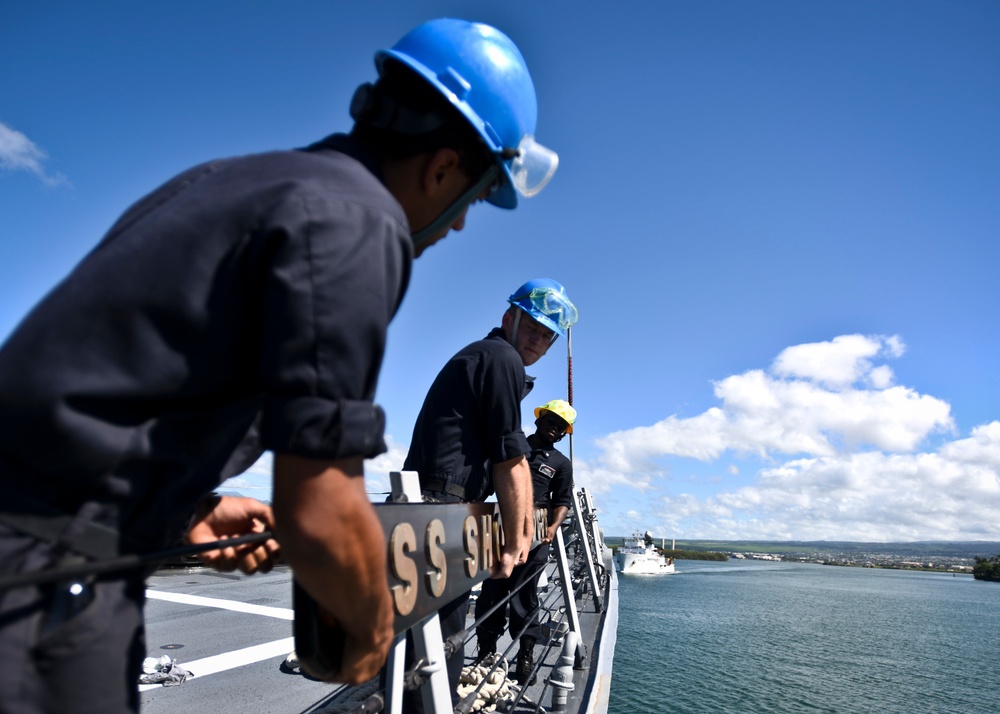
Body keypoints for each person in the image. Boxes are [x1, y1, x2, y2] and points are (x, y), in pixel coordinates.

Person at [0, 18, 559, 714]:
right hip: (40, 578)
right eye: (474, 197)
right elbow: (320, 504)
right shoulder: (359, 225)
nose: (460, 224)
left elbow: (84, 389)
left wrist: (181, 509)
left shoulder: (233, 184)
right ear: (443, 166)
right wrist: (372, 626)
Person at [401, 278, 578, 707]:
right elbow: (510, 460)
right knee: (442, 645)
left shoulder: (488, 358)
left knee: (420, 641)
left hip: (432, 507)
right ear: (508, 318)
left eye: (547, 335)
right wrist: (517, 543)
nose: (538, 339)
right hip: (442, 511)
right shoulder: (502, 358)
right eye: (532, 326)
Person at [473, 399, 576, 685]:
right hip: (501, 529)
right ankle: (485, 652)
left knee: (524, 596)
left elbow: (563, 500)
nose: (555, 430)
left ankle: (525, 655)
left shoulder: (560, 464)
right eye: (551, 422)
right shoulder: (513, 449)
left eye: (561, 428)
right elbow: (488, 481)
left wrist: (554, 526)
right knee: (491, 592)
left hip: (537, 536)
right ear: (539, 420)